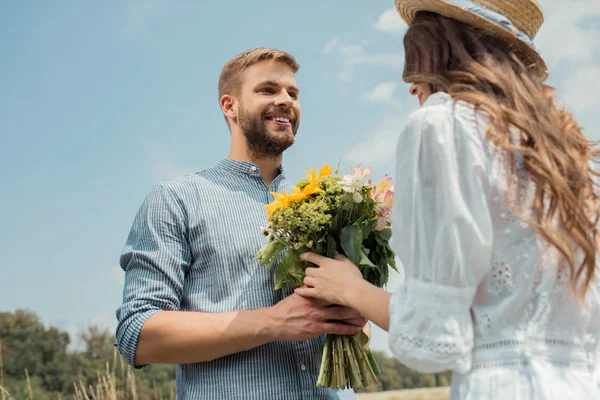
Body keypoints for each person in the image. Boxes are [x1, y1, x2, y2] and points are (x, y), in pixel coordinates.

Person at [295, 1, 600, 398]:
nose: (410, 85)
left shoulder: (443, 125)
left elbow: (434, 338)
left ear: (443, 50)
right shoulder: (571, 159)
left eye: (416, 55)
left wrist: (349, 288)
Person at [114, 47, 366, 400]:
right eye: (268, 90)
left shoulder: (328, 206)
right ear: (230, 106)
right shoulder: (177, 199)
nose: (286, 100)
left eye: (293, 93)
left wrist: (354, 316)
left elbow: (346, 329)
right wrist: (275, 322)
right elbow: (137, 335)